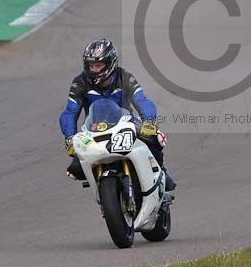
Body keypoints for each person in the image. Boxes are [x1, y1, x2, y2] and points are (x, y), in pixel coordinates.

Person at [58, 37, 176, 191]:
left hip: (126, 125)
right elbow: (69, 112)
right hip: (93, 130)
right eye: (91, 65)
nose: (94, 70)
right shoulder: (80, 82)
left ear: (110, 64)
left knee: (156, 139)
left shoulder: (125, 77)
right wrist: (69, 138)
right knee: (74, 170)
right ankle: (102, 191)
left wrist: (149, 121)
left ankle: (161, 172)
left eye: (98, 65)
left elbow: (142, 101)